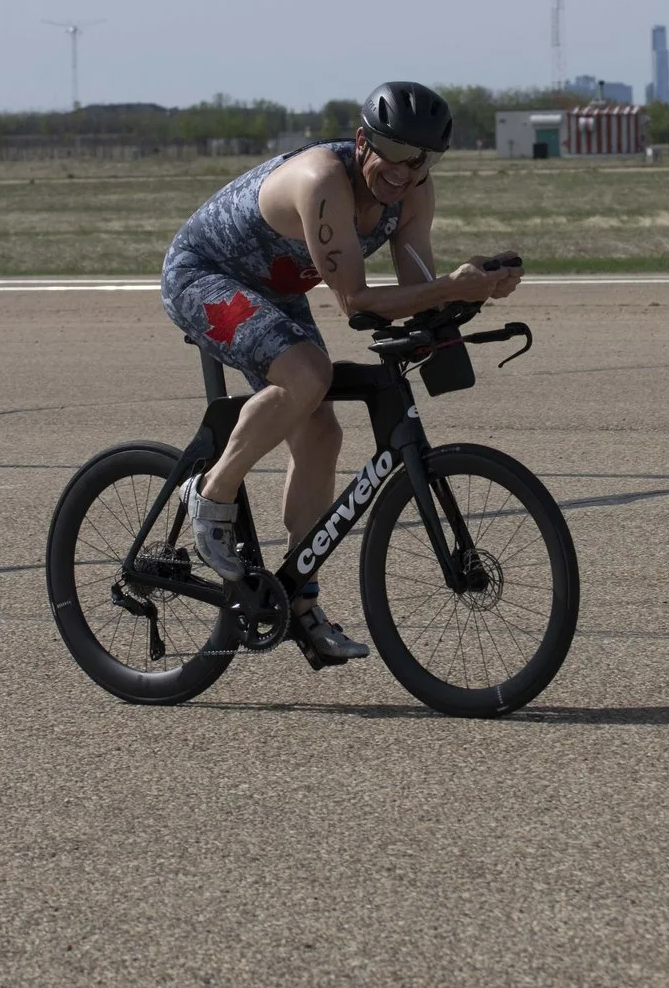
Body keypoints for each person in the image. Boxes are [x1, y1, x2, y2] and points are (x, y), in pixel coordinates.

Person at [160, 81, 524, 665]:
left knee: (323, 430)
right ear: (362, 142)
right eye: (395, 156)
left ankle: (297, 600)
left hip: (276, 289)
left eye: (422, 161)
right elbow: (355, 301)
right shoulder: (322, 181)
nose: (405, 175)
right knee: (308, 375)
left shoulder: (413, 195)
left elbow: (416, 290)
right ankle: (211, 494)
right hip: (206, 275)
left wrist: (472, 286)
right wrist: (453, 288)